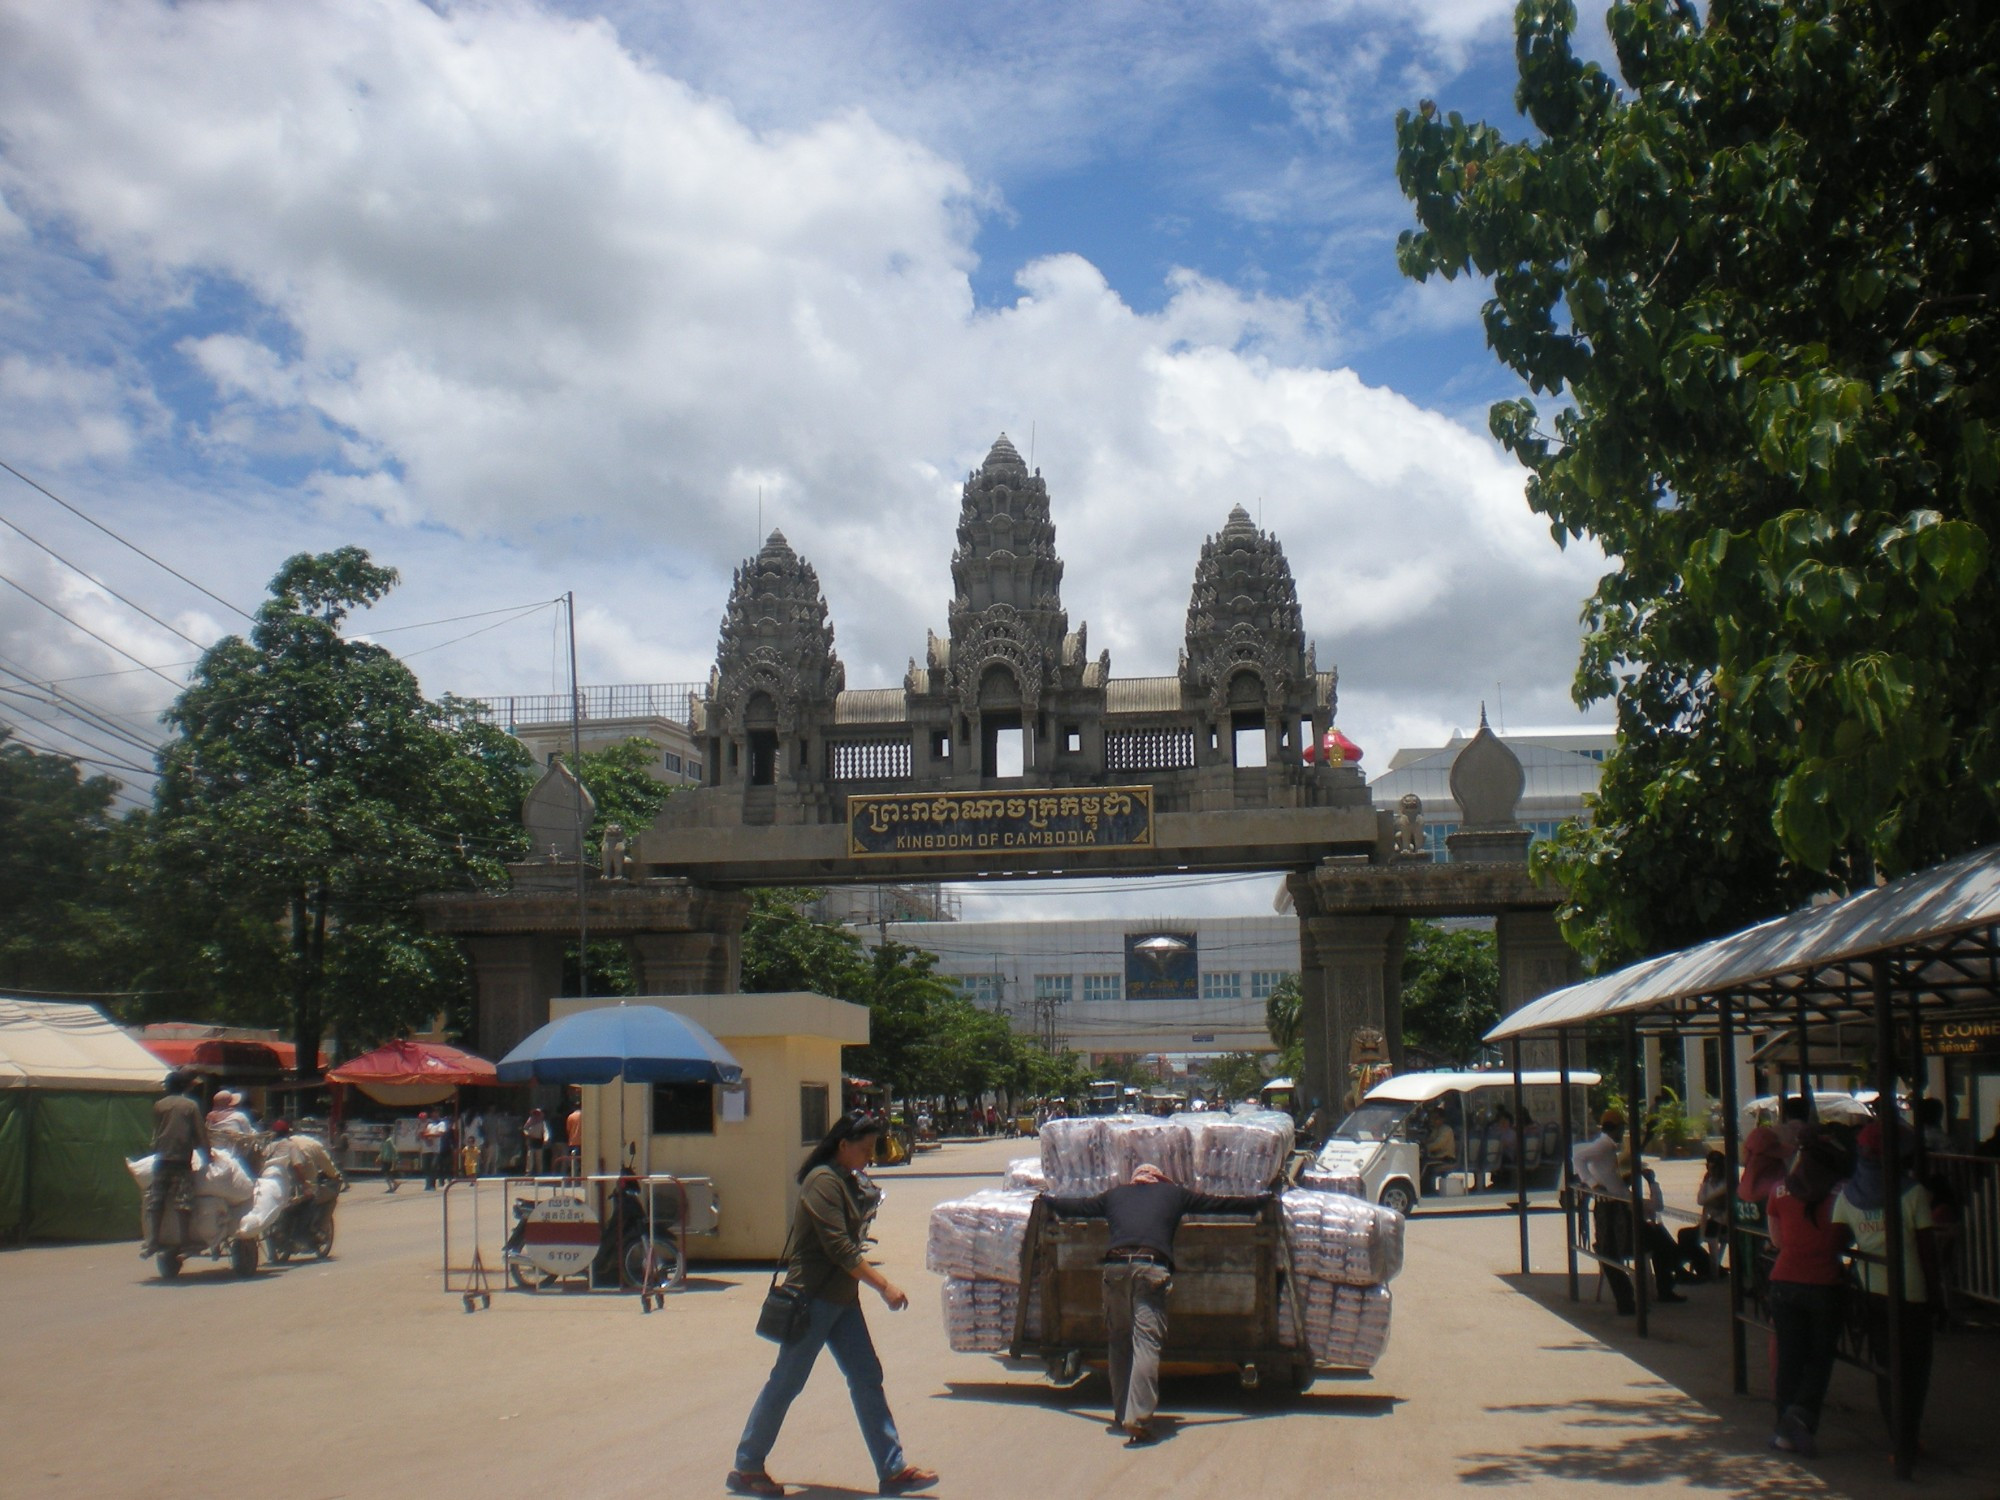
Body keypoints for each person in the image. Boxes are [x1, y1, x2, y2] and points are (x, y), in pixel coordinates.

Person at [727, 1113, 937, 1498]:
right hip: (813, 1298)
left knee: (867, 1377)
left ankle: (893, 1470)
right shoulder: (822, 1181)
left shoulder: (845, 1179)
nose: (868, 1157)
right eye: (864, 1149)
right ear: (843, 1145)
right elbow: (840, 1248)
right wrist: (885, 1286)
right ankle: (746, 1466)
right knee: (786, 1383)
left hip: (841, 1300)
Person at [1045, 1163, 1272, 1446]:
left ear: (1135, 1180)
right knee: (1145, 1343)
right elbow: (1219, 1204)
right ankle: (1137, 1418)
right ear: (1159, 1180)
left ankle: (1121, 1414)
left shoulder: (1115, 1195)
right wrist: (1261, 1202)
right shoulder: (1173, 1194)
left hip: (1114, 1270)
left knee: (1118, 1341)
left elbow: (1078, 1207)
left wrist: (1048, 1201)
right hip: (1150, 1269)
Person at [1833, 1120, 1942, 1459]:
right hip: (1912, 1293)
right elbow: (1927, 1251)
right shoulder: (1913, 1193)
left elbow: (1836, 1241)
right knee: (1915, 1370)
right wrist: (1937, 1296)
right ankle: (1908, 1439)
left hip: (1871, 1292)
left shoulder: (1848, 1194)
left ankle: (1900, 1440)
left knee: (1887, 1369)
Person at [1764, 1130, 1848, 1456]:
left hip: (1783, 1282)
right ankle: (1799, 1418)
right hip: (1825, 1284)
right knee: (1819, 1358)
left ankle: (1784, 1428)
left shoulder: (1779, 1191)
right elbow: (1845, 1240)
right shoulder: (1842, 1193)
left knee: (1789, 1358)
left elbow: (1778, 1241)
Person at [139, 1070, 209, 1257]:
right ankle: (185, 1242)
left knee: (156, 1200)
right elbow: (200, 1134)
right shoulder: (190, 1106)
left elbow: (157, 1131)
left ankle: (152, 1241)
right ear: (184, 1087)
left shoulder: (159, 1105)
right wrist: (208, 1155)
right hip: (181, 1158)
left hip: (161, 1158)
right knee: (183, 1201)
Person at [1696, 1149, 1730, 1275]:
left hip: (1723, 1222)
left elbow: (1718, 1201)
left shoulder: (1726, 1183)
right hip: (1711, 1220)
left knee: (1709, 1231)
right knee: (1684, 1235)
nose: (1712, 1170)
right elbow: (1700, 1200)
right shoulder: (1708, 1182)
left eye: (1715, 1167)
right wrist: (1705, 1183)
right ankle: (1708, 1267)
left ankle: (1714, 1270)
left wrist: (1709, 1201)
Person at [523, 1108, 550, 1176]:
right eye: (535, 1113)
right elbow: (525, 1128)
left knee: (539, 1158)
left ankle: (539, 1172)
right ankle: (528, 1172)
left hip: (538, 1141)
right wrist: (526, 1133)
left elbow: (545, 1131)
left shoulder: (542, 1122)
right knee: (530, 1157)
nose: (536, 1115)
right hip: (531, 1140)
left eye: (538, 1113)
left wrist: (546, 1139)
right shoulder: (530, 1120)